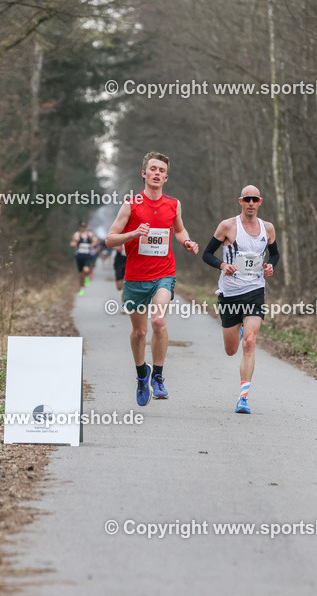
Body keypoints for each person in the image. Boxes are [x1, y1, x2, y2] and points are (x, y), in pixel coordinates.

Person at [105, 152, 199, 405]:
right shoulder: (131, 204)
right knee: (139, 332)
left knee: (158, 321)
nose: (157, 173)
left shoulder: (173, 204)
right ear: (144, 174)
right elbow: (110, 238)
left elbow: (178, 229)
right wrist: (134, 233)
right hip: (135, 277)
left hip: (163, 273)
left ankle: (157, 375)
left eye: (161, 171)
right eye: (152, 169)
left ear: (166, 178)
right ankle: (140, 375)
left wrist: (187, 241)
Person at [201, 185, 279, 414]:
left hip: (255, 290)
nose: (251, 203)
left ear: (260, 202)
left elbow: (275, 254)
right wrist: (222, 264)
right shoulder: (228, 226)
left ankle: (243, 398)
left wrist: (270, 266)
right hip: (230, 294)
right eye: (247, 199)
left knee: (250, 343)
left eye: (255, 199)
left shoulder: (268, 228)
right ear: (241, 201)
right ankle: (241, 329)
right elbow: (207, 254)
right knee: (231, 349)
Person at [70, 221, 96, 295]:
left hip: (87, 255)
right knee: (81, 274)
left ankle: (87, 277)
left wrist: (92, 245)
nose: (83, 228)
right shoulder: (76, 235)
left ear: (86, 227)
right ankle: (81, 288)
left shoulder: (90, 234)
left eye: (84, 226)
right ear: (80, 227)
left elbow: (94, 241)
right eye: (82, 226)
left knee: (86, 269)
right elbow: (72, 243)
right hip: (79, 255)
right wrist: (74, 244)